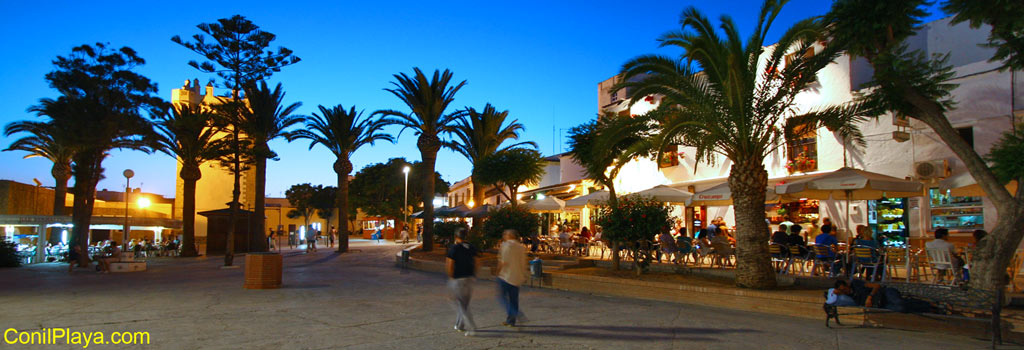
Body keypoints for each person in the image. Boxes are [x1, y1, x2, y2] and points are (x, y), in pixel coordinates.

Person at [446, 228, 478, 336]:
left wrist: (451, 277)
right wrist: (474, 274)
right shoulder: (471, 247)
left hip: (458, 278)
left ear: (456, 237)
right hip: (469, 277)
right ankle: (460, 325)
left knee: (460, 303)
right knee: (464, 303)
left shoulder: (454, 248)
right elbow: (477, 261)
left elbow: (449, 264)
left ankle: (472, 326)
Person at [496, 229, 528, 327]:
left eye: (505, 234)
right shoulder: (521, 247)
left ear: (510, 235)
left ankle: (515, 313)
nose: (504, 236)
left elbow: (503, 261)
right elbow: (524, 262)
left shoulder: (505, 245)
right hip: (517, 276)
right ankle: (511, 320)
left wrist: (497, 272)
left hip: (506, 276)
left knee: (501, 297)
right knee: (514, 299)